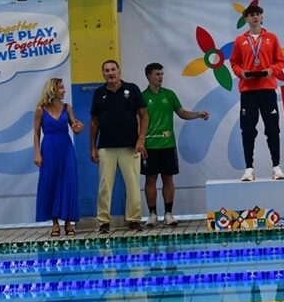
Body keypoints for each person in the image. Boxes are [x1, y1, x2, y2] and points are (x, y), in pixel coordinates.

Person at [142, 63, 209, 225]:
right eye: (157, 74)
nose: (160, 77)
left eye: (161, 74)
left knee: (168, 178)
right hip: (149, 146)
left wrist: (198, 114)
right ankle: (152, 215)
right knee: (150, 179)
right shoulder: (142, 97)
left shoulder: (169, 95)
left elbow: (182, 113)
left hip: (168, 145)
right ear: (149, 76)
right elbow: (137, 121)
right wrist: (140, 141)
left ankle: (168, 214)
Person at [228, 5, 284, 181]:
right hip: (248, 91)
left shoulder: (271, 38)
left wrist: (272, 70)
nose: (255, 17)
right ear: (245, 18)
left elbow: (280, 61)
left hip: (267, 89)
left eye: (258, 14)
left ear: (262, 17)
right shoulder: (240, 40)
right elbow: (234, 62)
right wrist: (241, 73)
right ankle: (249, 169)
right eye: (251, 15)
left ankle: (276, 167)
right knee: (247, 130)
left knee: (272, 129)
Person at [90, 59, 148, 233]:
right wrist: (92, 147)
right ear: (103, 74)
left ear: (119, 71)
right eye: (106, 70)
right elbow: (94, 122)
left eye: (113, 69)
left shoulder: (132, 89)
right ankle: (103, 222)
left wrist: (141, 140)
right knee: (105, 187)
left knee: (133, 185)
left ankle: (134, 220)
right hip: (106, 147)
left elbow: (144, 115)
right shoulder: (99, 93)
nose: (110, 73)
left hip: (130, 146)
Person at [33, 78, 83, 236]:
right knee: (50, 184)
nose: (64, 90)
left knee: (68, 184)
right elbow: (36, 133)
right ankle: (55, 224)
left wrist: (79, 127)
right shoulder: (40, 109)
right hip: (48, 149)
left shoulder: (67, 108)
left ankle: (68, 223)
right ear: (53, 90)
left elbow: (75, 128)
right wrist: (37, 153)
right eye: (61, 88)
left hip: (66, 149)